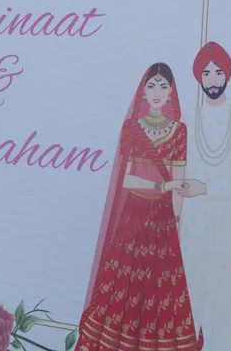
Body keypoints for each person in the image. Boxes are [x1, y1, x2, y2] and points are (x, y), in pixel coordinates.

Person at [77, 63, 202, 351]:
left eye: (163, 86)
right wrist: (163, 186)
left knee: (160, 286)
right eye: (151, 85)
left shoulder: (179, 131)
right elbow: (127, 179)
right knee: (124, 282)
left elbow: (180, 179)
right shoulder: (132, 129)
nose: (157, 92)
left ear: (171, 93)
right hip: (133, 216)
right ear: (143, 92)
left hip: (163, 220)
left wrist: (177, 220)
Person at [179, 42, 231, 349]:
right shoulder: (187, 119)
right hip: (194, 229)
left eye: (218, 72)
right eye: (206, 73)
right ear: (198, 77)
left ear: (228, 75)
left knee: (227, 306)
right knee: (191, 302)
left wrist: (207, 188)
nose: (212, 80)